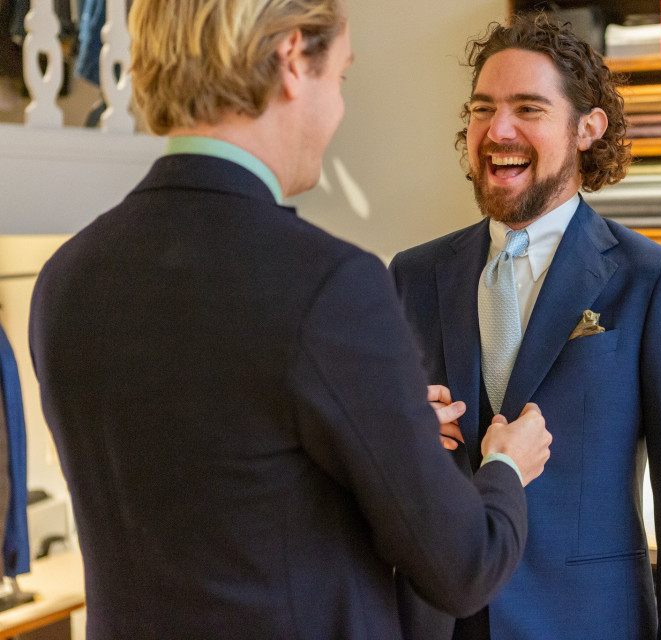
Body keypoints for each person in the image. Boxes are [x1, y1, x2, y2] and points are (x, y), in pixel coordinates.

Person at [28, 1, 553, 638]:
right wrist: (504, 466)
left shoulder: (64, 279)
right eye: (341, 78)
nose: (338, 108)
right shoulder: (332, 286)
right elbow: (463, 565)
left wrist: (381, 420)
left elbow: (223, 468)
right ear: (291, 61)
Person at [389, 13, 661, 640]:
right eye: (482, 108)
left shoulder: (655, 283)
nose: (498, 130)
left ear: (587, 129)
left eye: (528, 108)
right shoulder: (412, 275)